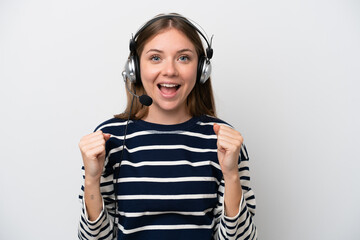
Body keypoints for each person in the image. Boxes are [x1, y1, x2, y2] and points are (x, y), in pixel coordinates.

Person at [78, 13, 257, 240]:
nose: (170, 70)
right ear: (134, 67)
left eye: (183, 58)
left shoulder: (223, 140)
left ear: (202, 69)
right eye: (155, 58)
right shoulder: (109, 138)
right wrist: (92, 181)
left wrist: (231, 176)